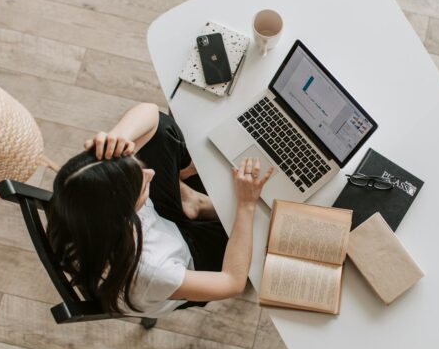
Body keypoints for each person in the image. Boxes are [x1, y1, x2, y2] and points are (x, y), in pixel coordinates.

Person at [46, 103, 273, 318]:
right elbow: (231, 282)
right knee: (263, 232)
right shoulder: (154, 272)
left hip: (157, 228)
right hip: (187, 259)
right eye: (141, 183)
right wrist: (246, 204)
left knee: (163, 130)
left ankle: (190, 201)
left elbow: (152, 115)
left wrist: (119, 137)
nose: (150, 174)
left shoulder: (78, 194)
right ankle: (193, 201)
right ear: (124, 213)